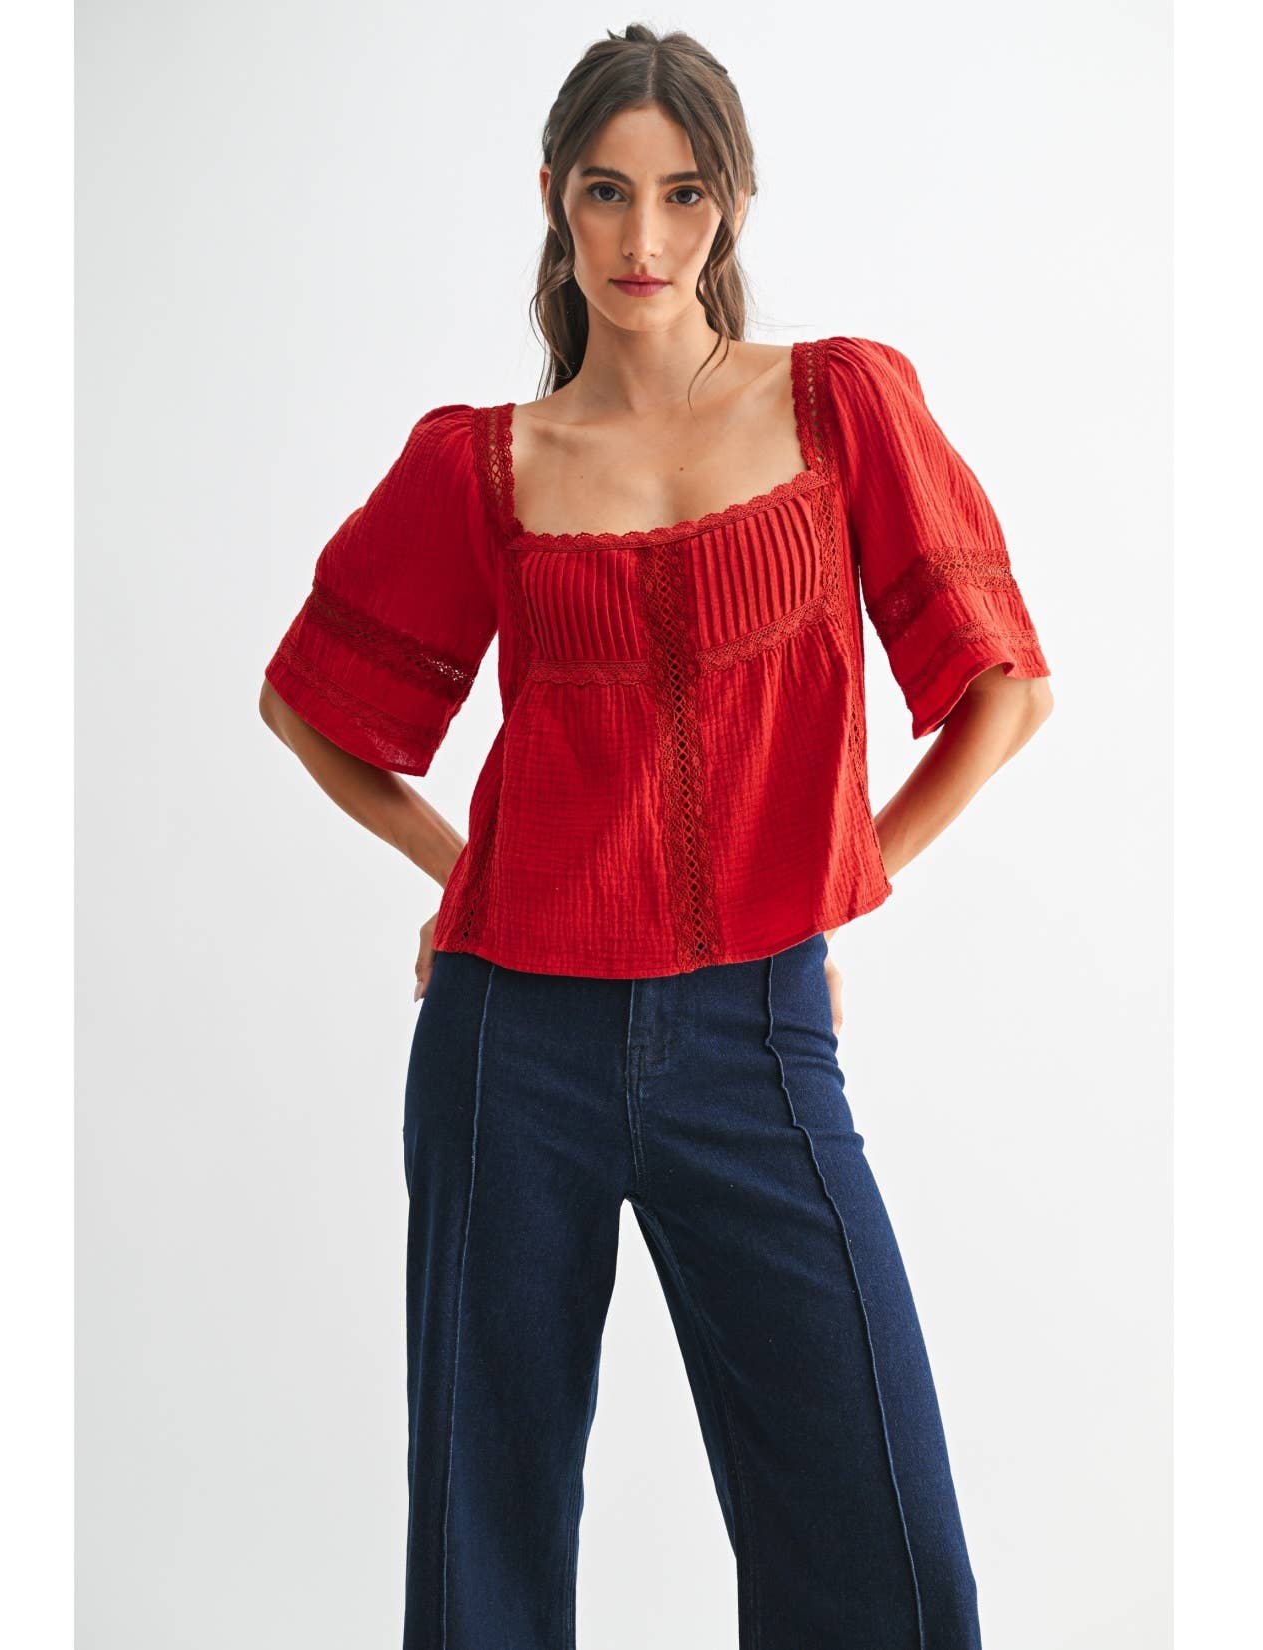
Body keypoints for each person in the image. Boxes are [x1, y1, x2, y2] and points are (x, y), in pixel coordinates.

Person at [258, 24, 1052, 1650]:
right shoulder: (488, 461)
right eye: (606, 192)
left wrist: (831, 881)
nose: (643, 238)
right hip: (509, 1042)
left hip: (756, 1032)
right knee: (484, 1549)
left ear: (734, 202)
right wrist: (465, 877)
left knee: (889, 1562)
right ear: (553, 198)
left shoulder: (836, 405)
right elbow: (306, 707)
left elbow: (1004, 693)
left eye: (683, 193)